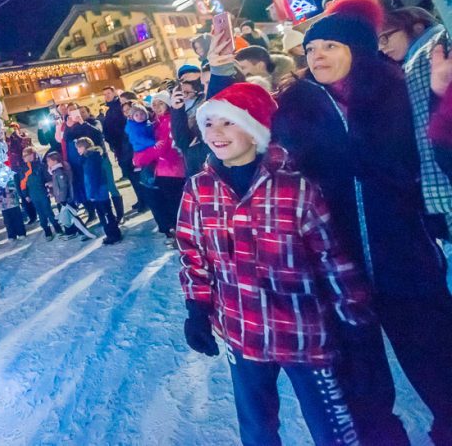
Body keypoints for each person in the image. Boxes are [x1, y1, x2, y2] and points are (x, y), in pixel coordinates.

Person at [273, 0, 452, 445]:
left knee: (438, 365)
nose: (316, 57)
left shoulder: (395, 89)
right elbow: (247, 141)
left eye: (328, 46)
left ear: (356, 47)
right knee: (365, 389)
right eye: (311, 50)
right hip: (339, 270)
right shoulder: (297, 105)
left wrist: (439, 96)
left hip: (406, 257)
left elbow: (436, 156)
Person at [177, 83, 368, 446]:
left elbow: (332, 260)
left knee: (333, 430)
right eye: (210, 125)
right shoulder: (199, 188)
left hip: (302, 332)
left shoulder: (295, 187)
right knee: (257, 430)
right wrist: (197, 309)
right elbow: (192, 251)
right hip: (241, 330)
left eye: (229, 123)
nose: (216, 133)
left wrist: (354, 322)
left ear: (255, 128)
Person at [379, 7, 452, 239]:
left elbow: (424, 133)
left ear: (416, 26)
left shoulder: (423, 57)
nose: (382, 47)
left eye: (386, 37)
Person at [133, 92, 186, 240]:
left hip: (172, 170)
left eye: (160, 103)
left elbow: (162, 148)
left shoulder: (168, 121)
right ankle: (176, 234)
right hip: (162, 171)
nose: (156, 107)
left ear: (168, 104)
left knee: (175, 206)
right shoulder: (157, 122)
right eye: (154, 104)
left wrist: (140, 158)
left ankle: (181, 237)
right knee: (167, 205)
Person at [73, 137, 122, 245]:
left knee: (105, 213)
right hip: (98, 190)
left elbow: (94, 177)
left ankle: (113, 235)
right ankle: (112, 234)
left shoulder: (91, 159)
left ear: (84, 147)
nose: (78, 151)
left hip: (98, 191)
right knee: (105, 213)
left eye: (78, 148)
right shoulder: (88, 158)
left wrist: (93, 193)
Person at [46, 151, 95, 239]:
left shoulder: (59, 171)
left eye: (49, 161)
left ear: (55, 161)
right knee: (66, 217)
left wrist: (63, 199)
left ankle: (84, 232)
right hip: (61, 199)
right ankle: (70, 232)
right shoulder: (55, 171)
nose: (47, 163)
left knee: (74, 217)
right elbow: (58, 185)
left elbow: (64, 186)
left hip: (65, 199)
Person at [20, 146, 62, 240]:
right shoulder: (23, 169)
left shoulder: (41, 165)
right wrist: (25, 194)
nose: (24, 158)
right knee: (40, 213)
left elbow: (47, 178)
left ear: (31, 155)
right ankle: (47, 231)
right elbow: (22, 183)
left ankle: (57, 227)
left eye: (25, 155)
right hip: (33, 194)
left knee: (48, 211)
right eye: (23, 156)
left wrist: (50, 190)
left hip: (42, 192)